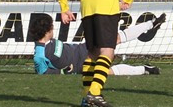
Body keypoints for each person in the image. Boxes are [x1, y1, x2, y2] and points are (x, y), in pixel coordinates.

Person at [31, 14, 165, 77]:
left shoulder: (48, 41)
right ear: (47, 30)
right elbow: (42, 73)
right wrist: (62, 71)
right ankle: (145, 69)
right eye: (52, 27)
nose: (53, 29)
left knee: (115, 39)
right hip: (81, 65)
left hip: (84, 48)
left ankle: (152, 24)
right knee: (106, 71)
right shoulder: (39, 54)